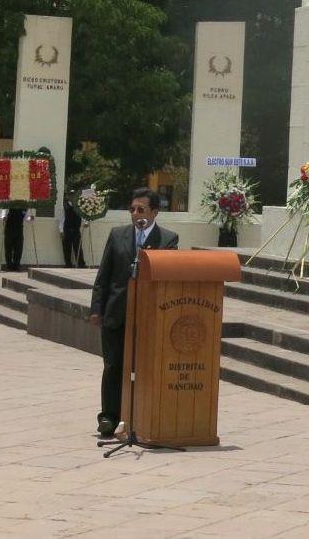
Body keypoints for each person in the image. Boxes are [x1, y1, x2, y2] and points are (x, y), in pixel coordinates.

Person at [88, 188, 179, 438]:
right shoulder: (118, 236)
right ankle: (109, 417)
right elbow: (103, 276)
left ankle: (140, 415)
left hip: (149, 317)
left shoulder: (168, 239)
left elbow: (167, 277)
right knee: (113, 366)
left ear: (154, 212)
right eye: (132, 209)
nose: (135, 214)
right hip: (116, 313)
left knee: (144, 367)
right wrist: (97, 308)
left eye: (141, 209)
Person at [1, 205, 33, 271]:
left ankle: (16, 266)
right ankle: (9, 266)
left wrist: (30, 218)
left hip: (19, 230)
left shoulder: (25, 207)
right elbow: (3, 213)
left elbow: (26, 218)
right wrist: (4, 217)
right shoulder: (8, 205)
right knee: (8, 249)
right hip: (9, 229)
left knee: (18, 249)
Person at [60, 191, 86, 269]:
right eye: (70, 195)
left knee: (78, 247)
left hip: (76, 229)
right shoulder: (65, 206)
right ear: (68, 197)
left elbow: (83, 216)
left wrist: (86, 222)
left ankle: (81, 264)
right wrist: (61, 230)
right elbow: (62, 219)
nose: (72, 197)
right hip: (67, 229)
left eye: (73, 196)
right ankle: (68, 264)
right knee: (66, 248)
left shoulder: (79, 206)